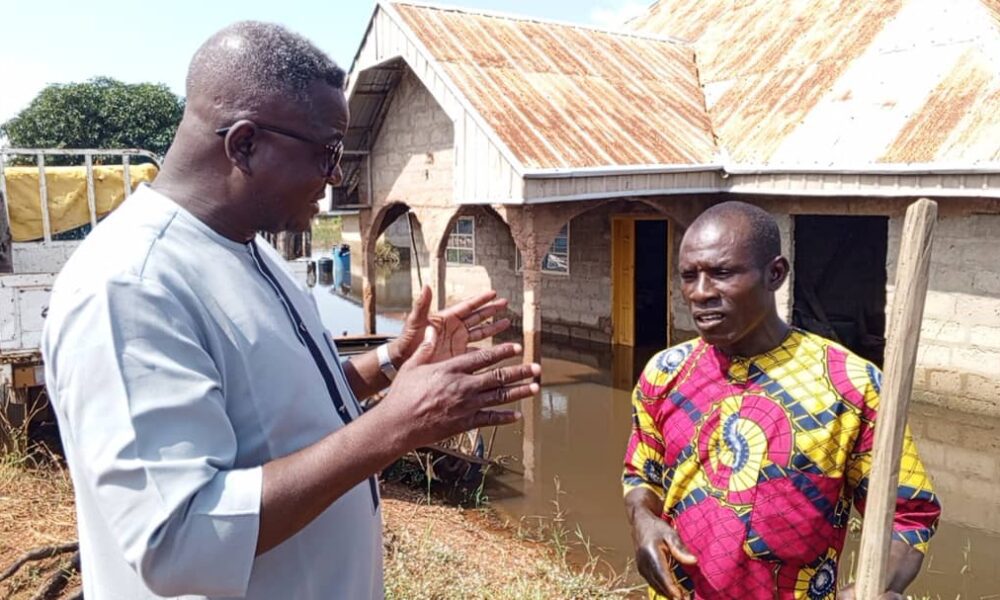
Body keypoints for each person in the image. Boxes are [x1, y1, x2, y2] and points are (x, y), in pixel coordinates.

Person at [41, 21, 539, 600]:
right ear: (244, 144)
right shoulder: (130, 285)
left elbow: (292, 415)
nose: (335, 177)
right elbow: (177, 542)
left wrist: (391, 363)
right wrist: (397, 427)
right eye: (327, 152)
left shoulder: (254, 249)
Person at [622, 201, 940, 600]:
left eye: (722, 273)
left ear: (775, 274)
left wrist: (871, 588)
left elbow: (909, 514)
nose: (700, 293)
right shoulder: (665, 373)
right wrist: (643, 520)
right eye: (689, 276)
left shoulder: (852, 386)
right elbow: (641, 474)